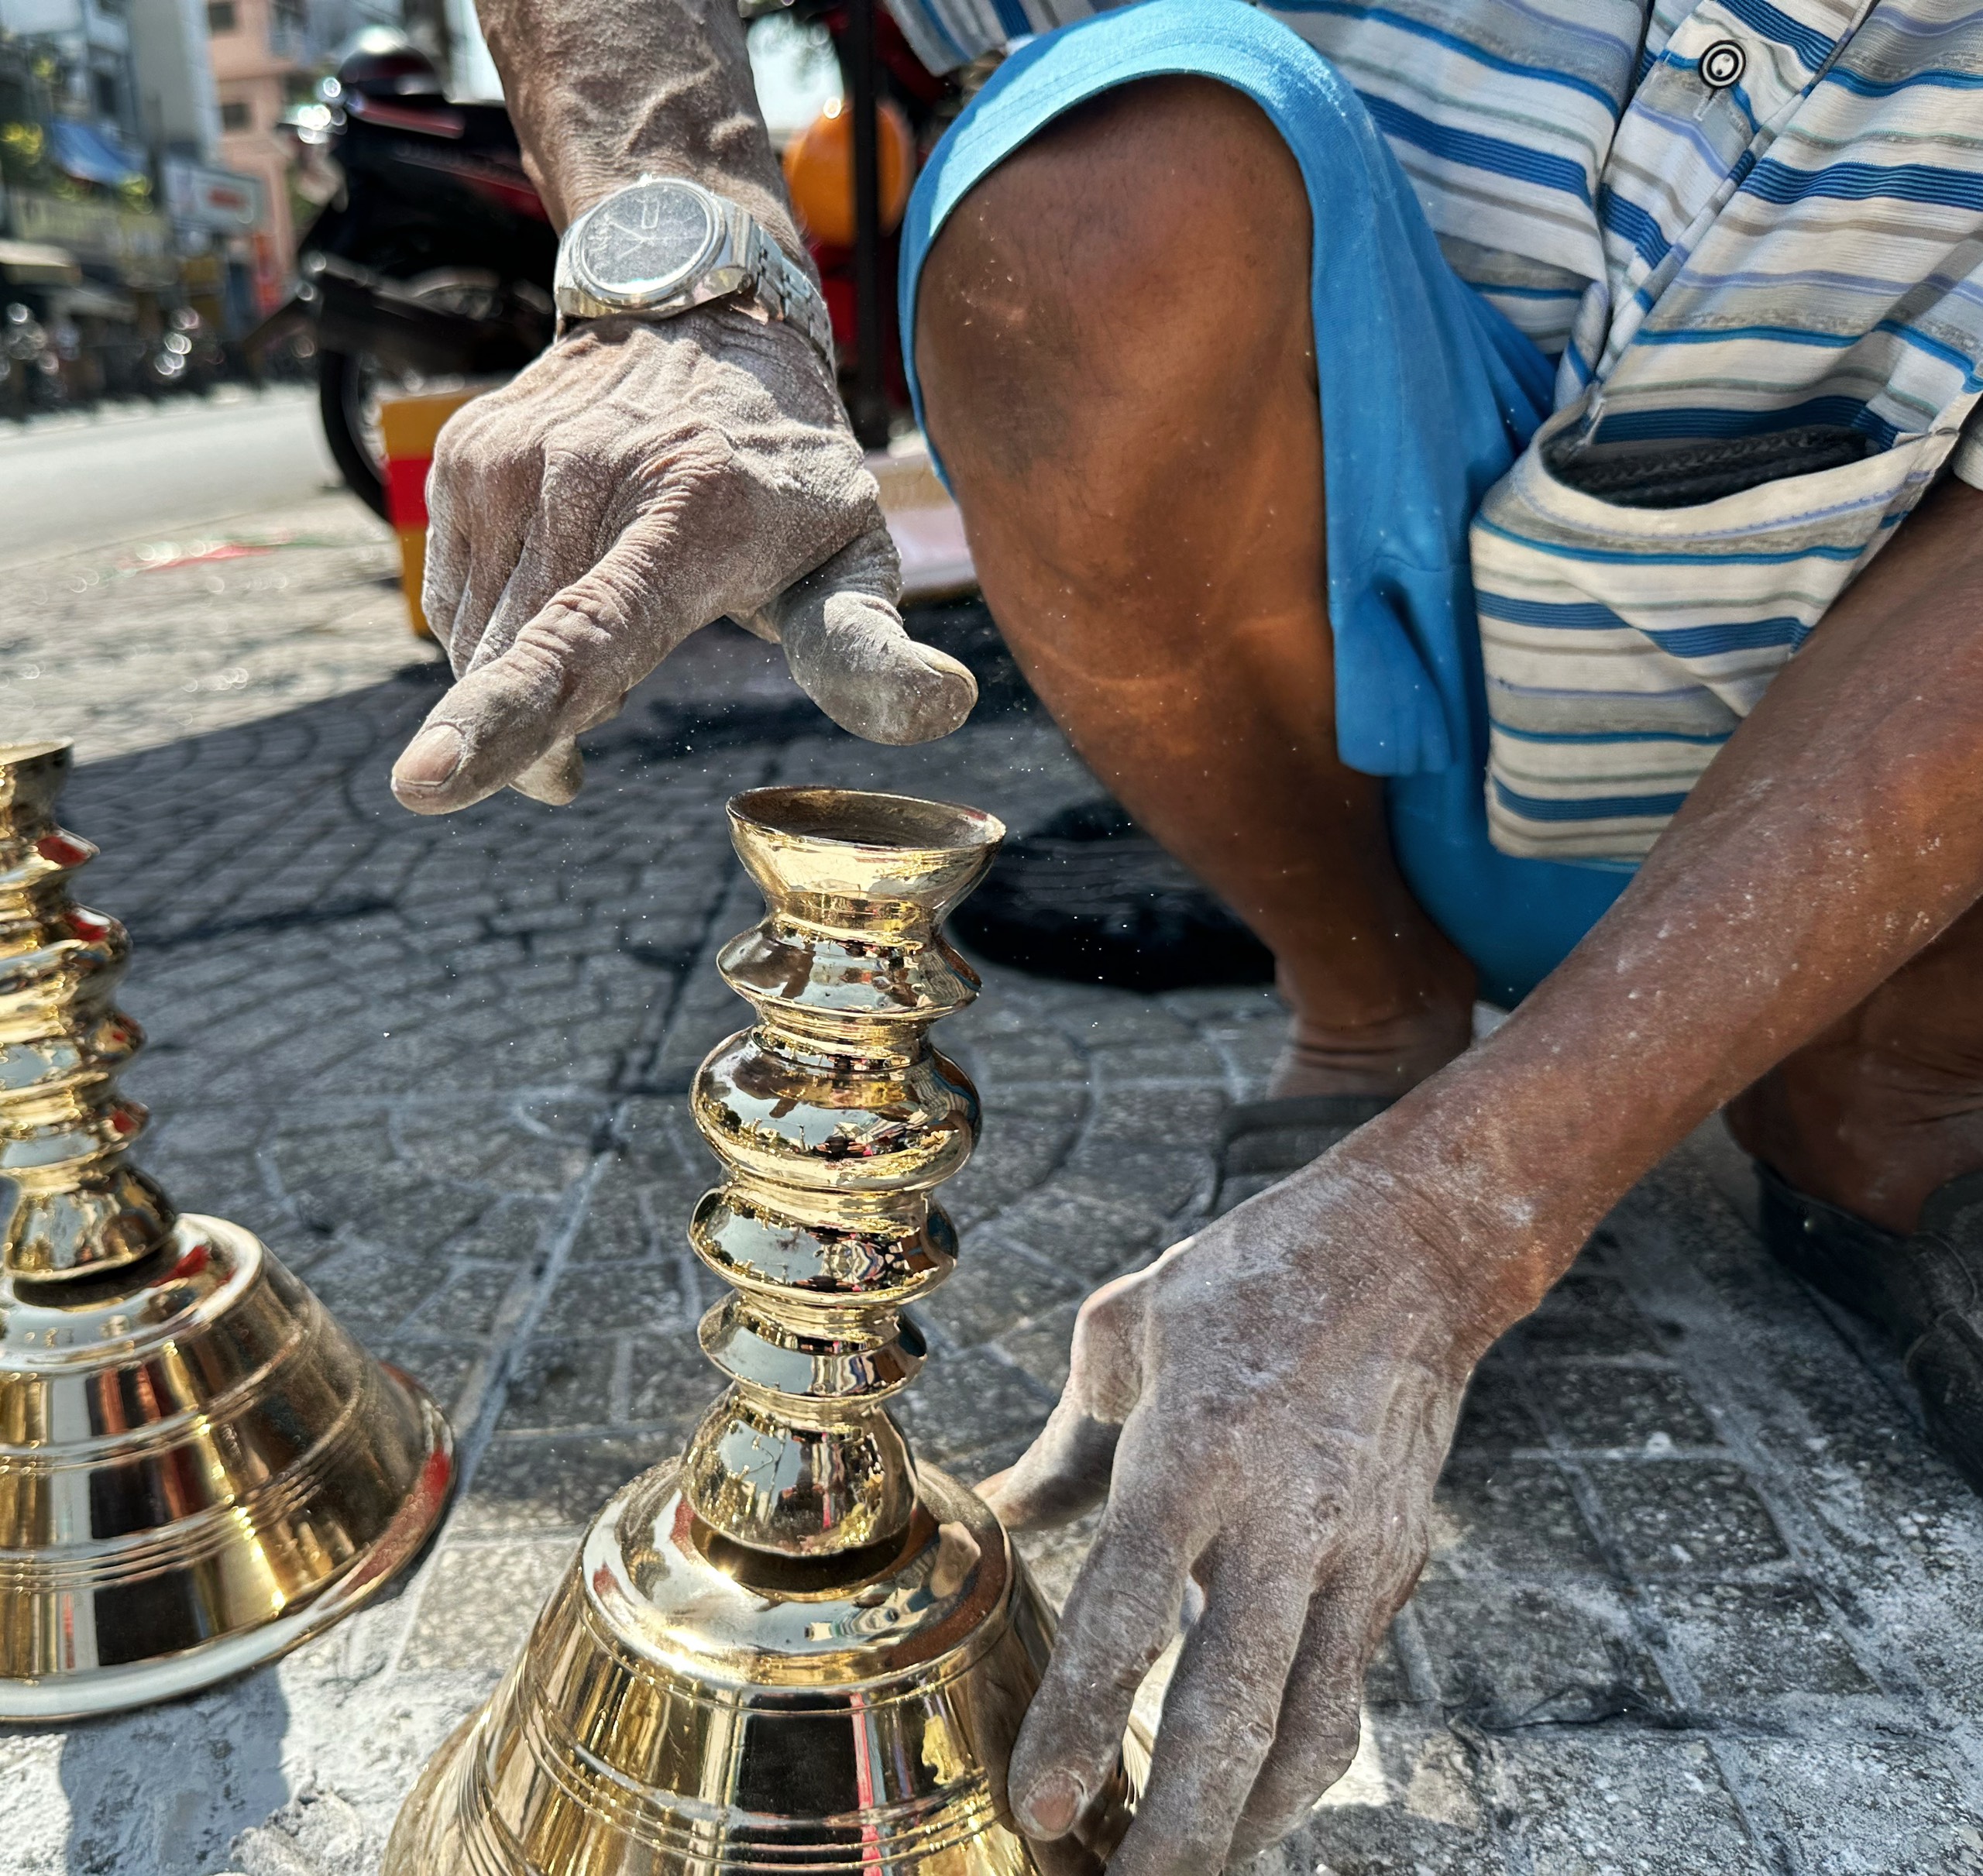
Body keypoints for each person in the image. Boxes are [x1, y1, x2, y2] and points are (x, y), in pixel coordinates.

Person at [385, 0, 1983, 1867]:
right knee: (1092, 189)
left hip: (1877, 729)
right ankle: (1362, 999)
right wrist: (684, 273)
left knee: (1879, 1120)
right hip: (1374, 701)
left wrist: (1462, 1214)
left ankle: (1866, 1087)